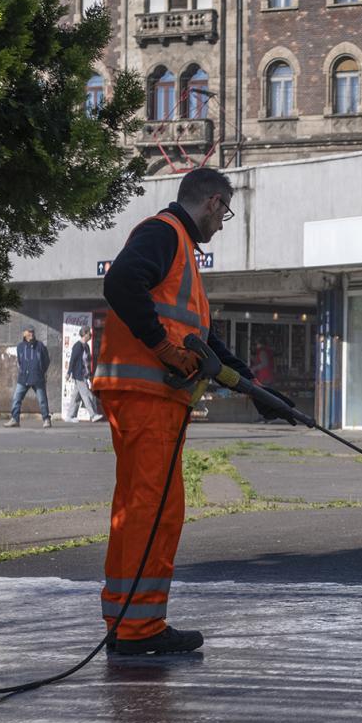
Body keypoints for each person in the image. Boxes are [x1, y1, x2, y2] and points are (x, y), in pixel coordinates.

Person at [93, 167, 293, 656]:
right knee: (155, 511)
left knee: (139, 509)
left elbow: (205, 343)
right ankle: (139, 630)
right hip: (148, 397)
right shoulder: (164, 234)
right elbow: (119, 283)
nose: (223, 222)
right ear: (213, 202)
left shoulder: (179, 251)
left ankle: (126, 620)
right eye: (225, 211)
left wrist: (257, 391)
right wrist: (162, 347)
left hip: (145, 398)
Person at [7, 327, 52, 428]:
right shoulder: (20, 347)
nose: (31, 334)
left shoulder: (40, 346)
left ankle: (46, 419)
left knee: (42, 400)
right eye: (29, 332)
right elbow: (20, 361)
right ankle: (15, 419)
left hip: (37, 378)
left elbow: (46, 360)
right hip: (23, 378)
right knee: (16, 398)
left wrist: (41, 371)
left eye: (33, 332)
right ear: (24, 334)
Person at [67, 326, 102, 423]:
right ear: (84, 334)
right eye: (89, 333)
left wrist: (90, 374)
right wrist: (68, 372)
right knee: (87, 395)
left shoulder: (86, 347)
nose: (90, 335)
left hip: (84, 375)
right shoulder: (77, 346)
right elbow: (72, 360)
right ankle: (93, 415)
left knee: (76, 397)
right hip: (78, 375)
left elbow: (87, 362)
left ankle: (70, 416)